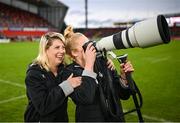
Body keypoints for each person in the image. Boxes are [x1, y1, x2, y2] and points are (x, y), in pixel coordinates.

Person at [63, 25, 134, 122]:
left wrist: (124, 78)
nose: (91, 47)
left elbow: (124, 95)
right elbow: (86, 97)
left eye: (90, 43)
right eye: (86, 45)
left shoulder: (103, 63)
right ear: (75, 52)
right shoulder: (69, 73)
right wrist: (89, 65)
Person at [24, 32, 84, 122]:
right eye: (57, 47)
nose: (62, 51)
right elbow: (43, 107)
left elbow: (82, 69)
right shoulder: (34, 74)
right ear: (45, 50)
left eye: (63, 47)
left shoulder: (64, 69)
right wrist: (67, 86)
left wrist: (103, 63)